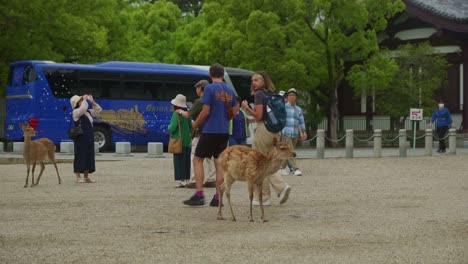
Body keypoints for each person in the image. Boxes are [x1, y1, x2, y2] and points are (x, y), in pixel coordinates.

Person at [182, 63, 238, 207]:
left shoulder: (209, 89)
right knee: (219, 163)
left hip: (210, 130)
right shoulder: (229, 90)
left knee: (197, 159)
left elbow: (205, 111)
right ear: (222, 74)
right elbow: (234, 112)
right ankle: (217, 197)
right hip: (224, 131)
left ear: (210, 74)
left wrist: (195, 124)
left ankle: (199, 195)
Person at [241, 71, 291, 206]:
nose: (254, 82)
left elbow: (259, 115)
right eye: (252, 80)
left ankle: (273, 192)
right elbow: (264, 116)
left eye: (257, 80)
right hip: (274, 131)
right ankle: (270, 194)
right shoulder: (270, 94)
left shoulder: (258, 95)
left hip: (263, 131)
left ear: (264, 81)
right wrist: (253, 118)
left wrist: (246, 108)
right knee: (267, 161)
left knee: (260, 163)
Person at [179, 80, 216, 188]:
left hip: (200, 132)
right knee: (211, 157)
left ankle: (195, 180)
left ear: (200, 88)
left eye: (197, 88)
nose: (196, 90)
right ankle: (212, 179)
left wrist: (180, 111)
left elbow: (188, 114)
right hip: (212, 132)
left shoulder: (200, 101)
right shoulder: (214, 100)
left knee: (195, 156)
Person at [70, 94, 102, 183]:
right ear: (76, 104)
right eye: (79, 100)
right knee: (80, 155)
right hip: (80, 137)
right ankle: (78, 177)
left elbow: (99, 110)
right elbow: (83, 108)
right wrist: (84, 100)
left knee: (89, 155)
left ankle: (86, 176)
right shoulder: (76, 112)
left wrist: (92, 102)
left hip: (89, 136)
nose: (82, 101)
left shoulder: (87, 111)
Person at [280, 88, 307, 176]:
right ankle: (296, 169)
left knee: (288, 152)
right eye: (290, 95)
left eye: (293, 95)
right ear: (287, 97)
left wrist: (303, 131)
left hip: (295, 133)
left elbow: (301, 121)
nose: (292, 97)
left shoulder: (298, 109)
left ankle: (280, 168)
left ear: (296, 97)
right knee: (290, 151)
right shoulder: (284, 107)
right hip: (286, 132)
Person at [168, 94, 192, 187]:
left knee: (178, 161)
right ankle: (186, 179)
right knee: (186, 161)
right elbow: (190, 126)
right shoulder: (188, 114)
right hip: (187, 141)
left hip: (178, 141)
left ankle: (180, 181)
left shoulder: (176, 114)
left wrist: (168, 127)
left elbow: (172, 127)